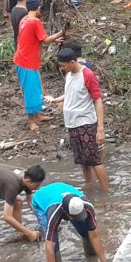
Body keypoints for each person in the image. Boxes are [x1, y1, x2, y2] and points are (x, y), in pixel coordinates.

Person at [49, 48, 109, 191]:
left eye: (64, 65)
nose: (62, 69)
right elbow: (70, 93)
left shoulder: (87, 74)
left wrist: (100, 129)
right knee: (83, 161)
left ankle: (106, 193)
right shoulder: (69, 74)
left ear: (73, 61)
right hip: (72, 124)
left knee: (94, 160)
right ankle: (89, 188)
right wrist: (56, 99)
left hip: (86, 123)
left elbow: (98, 100)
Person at [40, 193, 109, 262]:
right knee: (54, 246)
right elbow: (49, 247)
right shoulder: (54, 213)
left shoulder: (88, 207)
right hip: (44, 202)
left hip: (69, 204)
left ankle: (91, 258)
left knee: (87, 233)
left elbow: (94, 236)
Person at [12, 0, 65, 132]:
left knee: (36, 89)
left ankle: (38, 115)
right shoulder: (35, 21)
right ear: (38, 8)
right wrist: (61, 33)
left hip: (24, 59)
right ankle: (31, 121)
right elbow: (45, 40)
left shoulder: (24, 19)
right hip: (26, 62)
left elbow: (38, 39)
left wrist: (54, 39)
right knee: (31, 91)